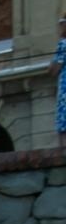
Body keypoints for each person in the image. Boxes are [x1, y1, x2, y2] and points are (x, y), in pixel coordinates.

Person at [50, 15, 66, 149]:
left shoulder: (63, 44)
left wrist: (51, 67)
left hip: (65, 89)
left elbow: (55, 69)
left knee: (63, 125)